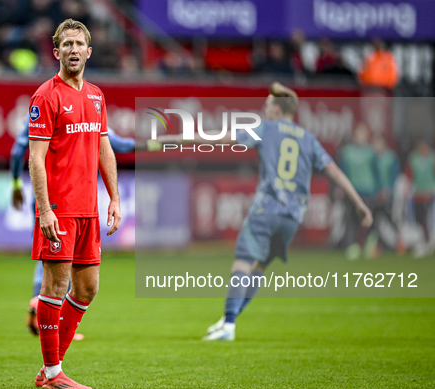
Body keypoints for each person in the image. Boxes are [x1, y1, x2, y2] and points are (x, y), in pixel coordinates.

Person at [159, 82, 373, 341]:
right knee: (259, 266)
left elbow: (222, 137)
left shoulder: (266, 129)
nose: (264, 107)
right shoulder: (308, 138)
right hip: (292, 217)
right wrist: (359, 203)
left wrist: (180, 139)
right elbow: (335, 171)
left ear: (278, 109)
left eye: (268, 104)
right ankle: (231, 318)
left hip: (266, 209)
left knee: (243, 261)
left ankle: (228, 324)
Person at [27, 19, 120, 389]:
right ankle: (52, 374)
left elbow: (103, 147)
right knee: (55, 286)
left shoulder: (96, 95)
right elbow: (36, 160)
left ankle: (53, 368)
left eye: (79, 43)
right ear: (57, 52)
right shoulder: (45, 96)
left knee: (87, 289)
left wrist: (114, 197)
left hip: (89, 209)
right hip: (60, 209)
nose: (74, 49)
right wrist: (45, 209)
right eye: (67, 44)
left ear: (89, 51)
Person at [9, 117, 135, 338]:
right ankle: (49, 319)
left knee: (50, 258)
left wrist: (16, 184)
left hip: (47, 198)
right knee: (61, 261)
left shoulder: (45, 115)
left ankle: (40, 310)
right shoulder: (82, 110)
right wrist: (150, 144)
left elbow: (17, 152)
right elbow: (119, 145)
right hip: (66, 200)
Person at [339, 123, 379, 260]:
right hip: (352, 190)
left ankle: (369, 245)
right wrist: (341, 188)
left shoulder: (371, 152)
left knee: (368, 219)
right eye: (358, 134)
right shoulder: (347, 152)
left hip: (368, 190)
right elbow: (341, 172)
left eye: (363, 134)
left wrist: (379, 189)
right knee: (351, 219)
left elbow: (376, 172)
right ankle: (353, 247)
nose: (360, 137)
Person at [405, 139, 435, 255]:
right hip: (418, 194)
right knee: (420, 220)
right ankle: (423, 242)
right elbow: (409, 175)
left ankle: (430, 242)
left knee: (430, 219)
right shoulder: (413, 158)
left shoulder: (432, 157)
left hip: (431, 193)